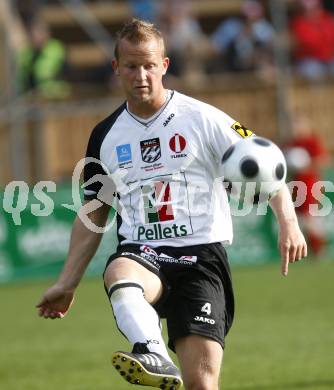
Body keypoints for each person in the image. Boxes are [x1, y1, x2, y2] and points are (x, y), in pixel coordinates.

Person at [36, 19, 307, 390]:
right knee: (120, 272)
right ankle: (152, 352)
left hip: (201, 258)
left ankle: (160, 357)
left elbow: (260, 161)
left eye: (149, 65)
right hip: (144, 251)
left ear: (164, 65)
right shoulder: (105, 135)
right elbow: (94, 210)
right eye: (131, 66)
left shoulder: (203, 118)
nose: (141, 75)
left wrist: (289, 223)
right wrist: (66, 283)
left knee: (201, 384)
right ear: (117, 69)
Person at [290, 0, 334, 81]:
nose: (313, 12)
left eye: (316, 8)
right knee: (313, 71)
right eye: (308, 10)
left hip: (329, 58)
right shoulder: (298, 23)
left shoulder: (328, 19)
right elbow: (308, 43)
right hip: (308, 59)